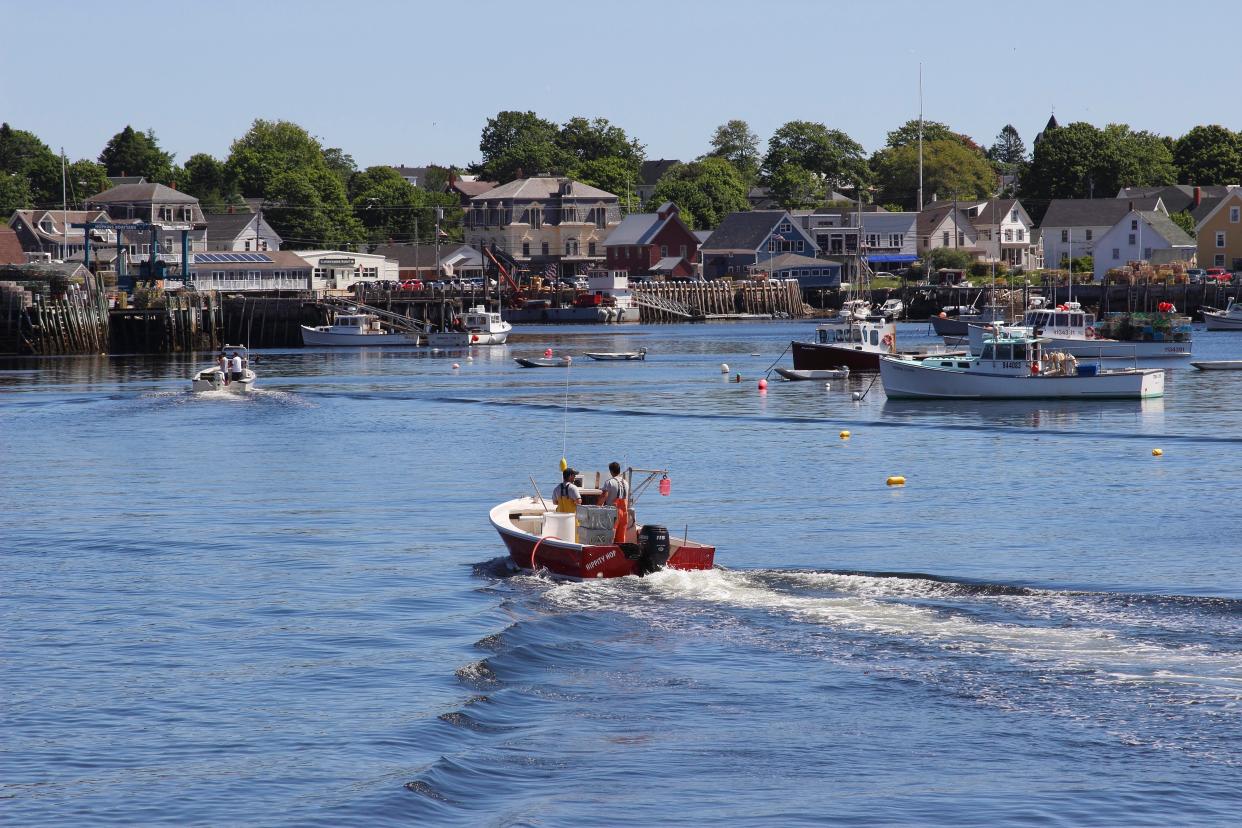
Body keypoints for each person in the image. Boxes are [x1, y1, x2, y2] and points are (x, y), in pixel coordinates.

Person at [601, 462, 630, 544]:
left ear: (611, 471)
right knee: (621, 537)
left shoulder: (609, 482)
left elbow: (603, 496)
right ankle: (620, 553)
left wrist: (597, 506)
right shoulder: (626, 483)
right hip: (624, 513)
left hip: (613, 513)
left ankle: (609, 553)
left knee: (610, 536)